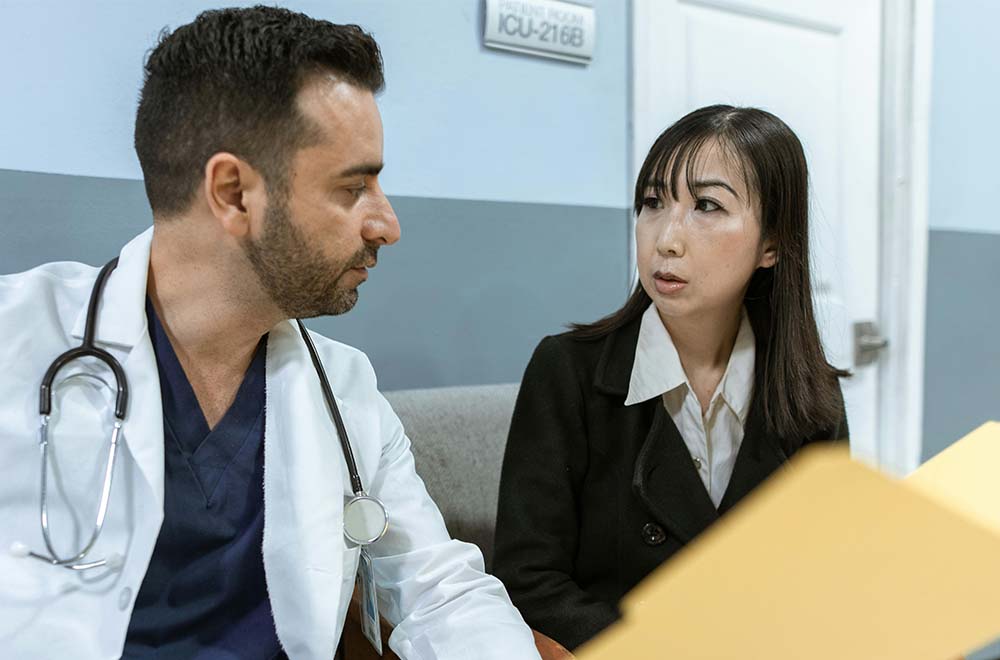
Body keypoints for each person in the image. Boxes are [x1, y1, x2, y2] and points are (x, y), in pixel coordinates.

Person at [0, 7, 540, 659]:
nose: (387, 224)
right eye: (354, 186)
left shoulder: (343, 388)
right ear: (233, 194)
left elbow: (440, 593)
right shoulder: (17, 340)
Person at [492, 105, 850, 655]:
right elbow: (529, 581)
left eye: (706, 206)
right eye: (654, 203)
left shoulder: (812, 397)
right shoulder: (567, 371)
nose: (666, 239)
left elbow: (820, 580)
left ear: (772, 245)